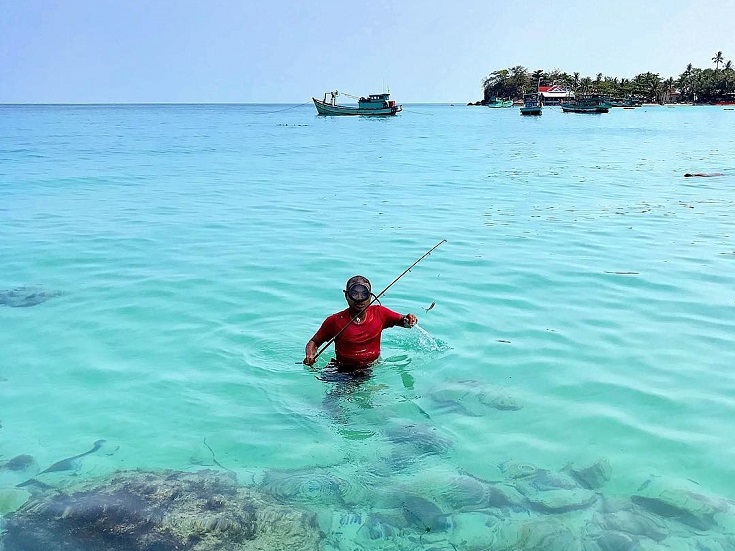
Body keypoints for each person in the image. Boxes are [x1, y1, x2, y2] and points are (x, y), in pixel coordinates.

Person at [303, 275, 417, 370]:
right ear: (346, 295)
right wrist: (310, 355)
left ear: (370, 296)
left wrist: (409, 319)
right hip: (341, 369)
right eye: (355, 294)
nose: (360, 299)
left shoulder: (380, 313)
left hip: (369, 368)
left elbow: (403, 321)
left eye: (364, 294)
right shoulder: (334, 321)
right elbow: (314, 342)